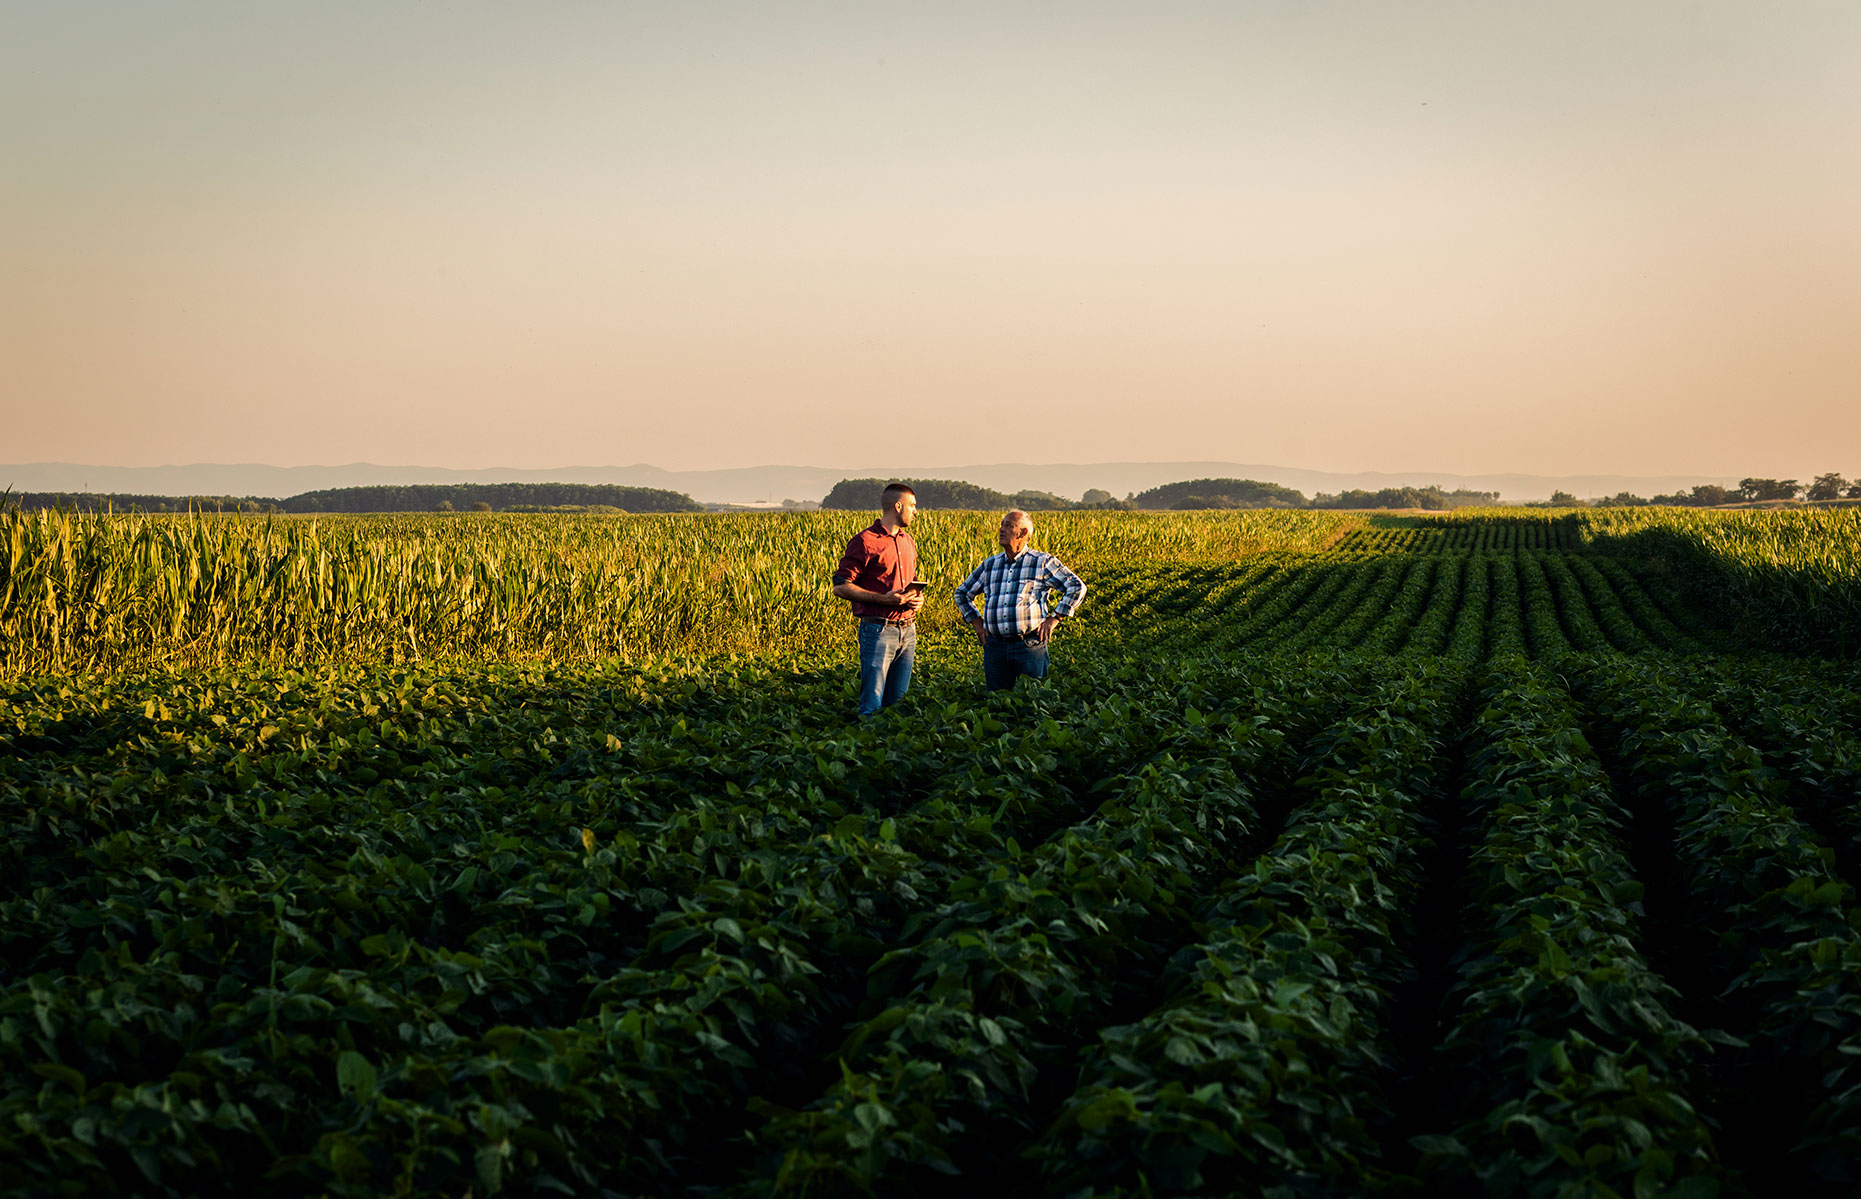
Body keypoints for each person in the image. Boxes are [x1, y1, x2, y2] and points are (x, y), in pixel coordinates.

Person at [955, 509, 1088, 692]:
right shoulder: (990, 565)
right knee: (997, 704)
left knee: (1033, 700)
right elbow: (962, 593)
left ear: (1023, 533)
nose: (1001, 529)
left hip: (1029, 645)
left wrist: (1055, 618)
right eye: (1001, 525)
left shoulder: (1041, 562)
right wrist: (977, 622)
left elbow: (1076, 586)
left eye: (1008, 525)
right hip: (995, 647)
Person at [831, 482, 925, 716]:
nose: (916, 511)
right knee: (872, 703)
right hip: (879, 630)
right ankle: (867, 744)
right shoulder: (865, 541)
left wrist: (916, 599)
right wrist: (884, 600)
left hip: (908, 629)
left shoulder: (907, 540)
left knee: (898, 703)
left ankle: (891, 748)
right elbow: (841, 587)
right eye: (912, 505)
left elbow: (909, 581)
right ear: (897, 506)